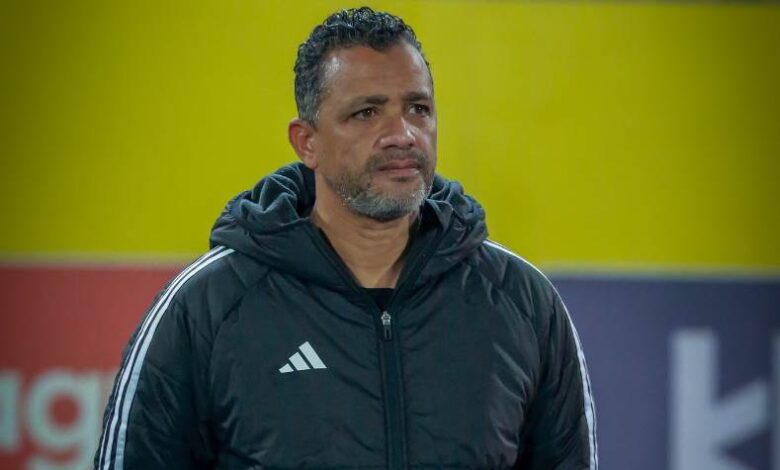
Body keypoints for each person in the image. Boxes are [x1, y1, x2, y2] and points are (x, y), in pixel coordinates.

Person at [94, 7, 597, 469]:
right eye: (367, 113)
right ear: (307, 142)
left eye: (418, 108)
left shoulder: (521, 303)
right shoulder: (208, 306)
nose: (403, 134)